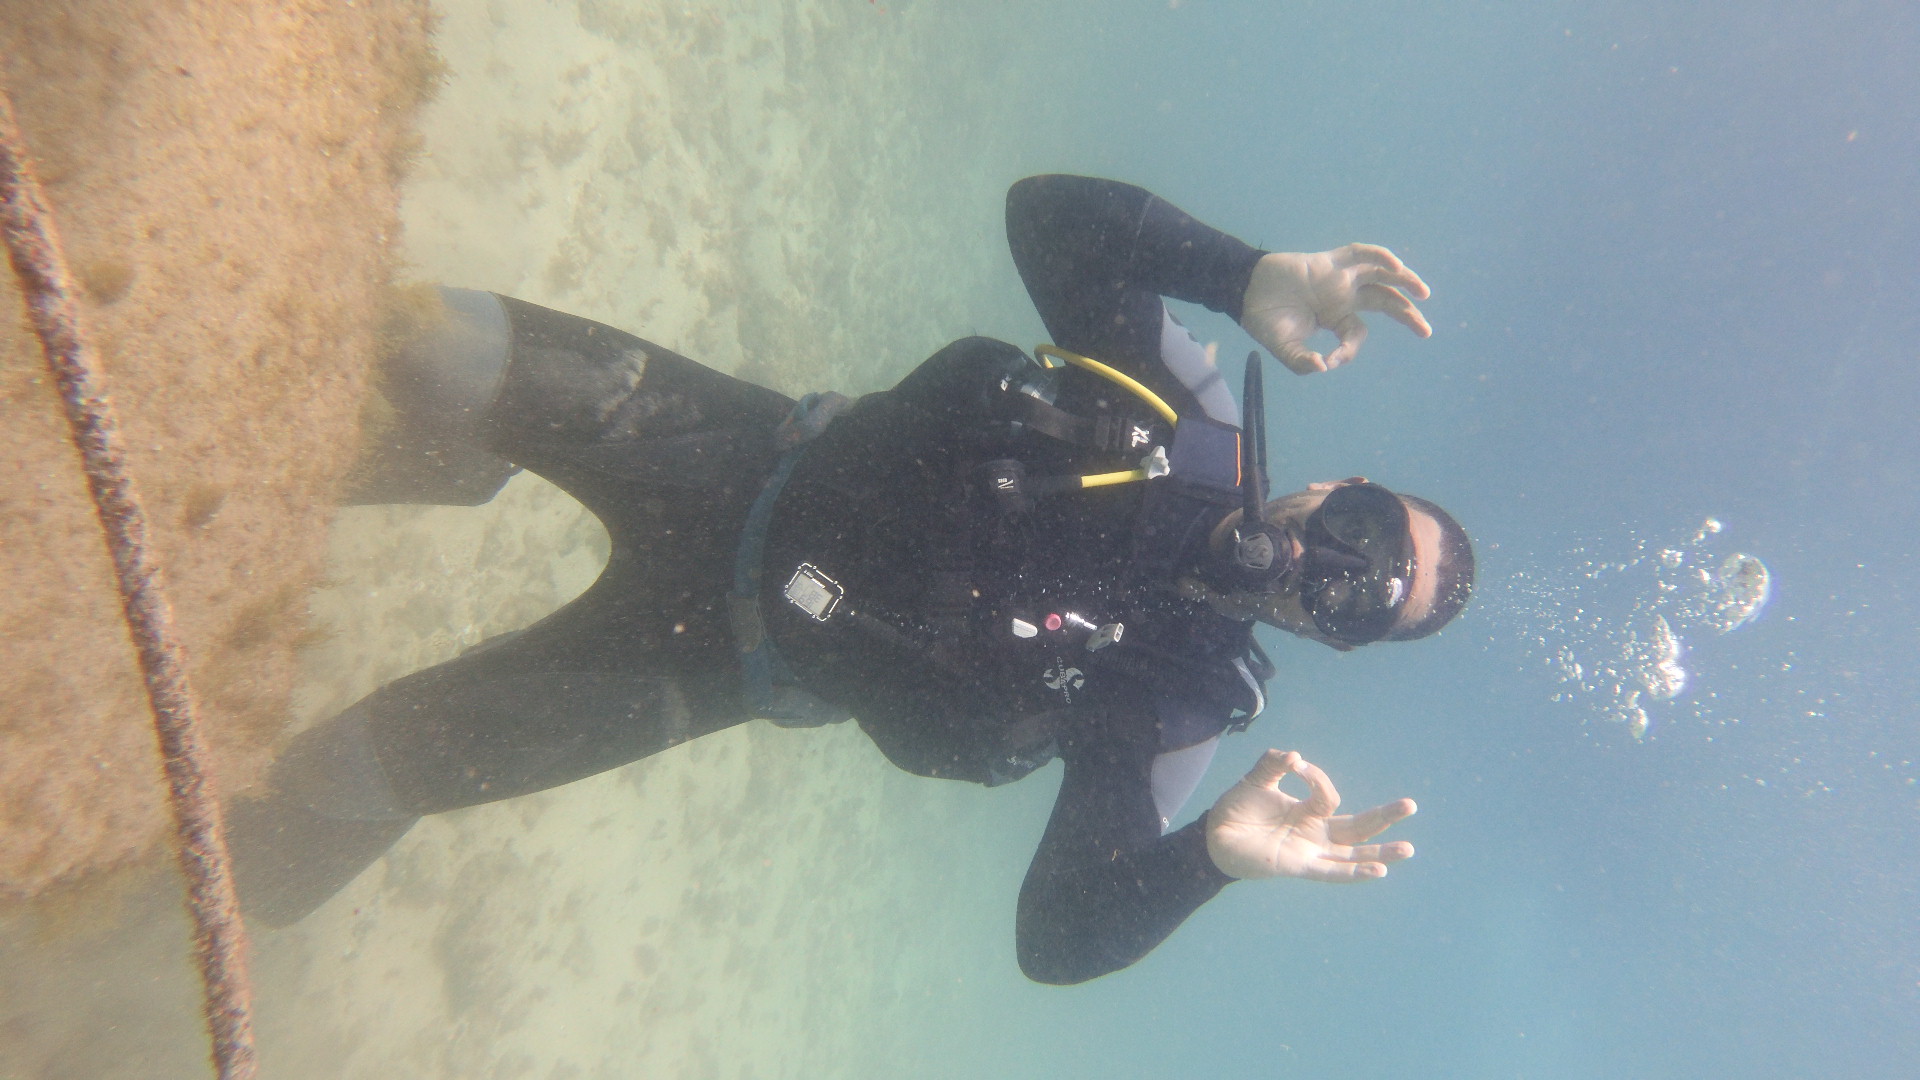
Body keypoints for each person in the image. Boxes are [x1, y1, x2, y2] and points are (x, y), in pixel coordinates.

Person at [228, 175, 1474, 985]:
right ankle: (377, 465)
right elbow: (1044, 215)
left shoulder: (1178, 697)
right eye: (1361, 530)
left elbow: (1056, 938)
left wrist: (1213, 858)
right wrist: (1241, 275)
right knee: (424, 342)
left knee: (335, 780)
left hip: (716, 655)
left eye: (1354, 597)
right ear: (1340, 483)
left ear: (1334, 640)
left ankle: (229, 885)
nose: (1326, 563)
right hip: (730, 449)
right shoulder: (1189, 419)